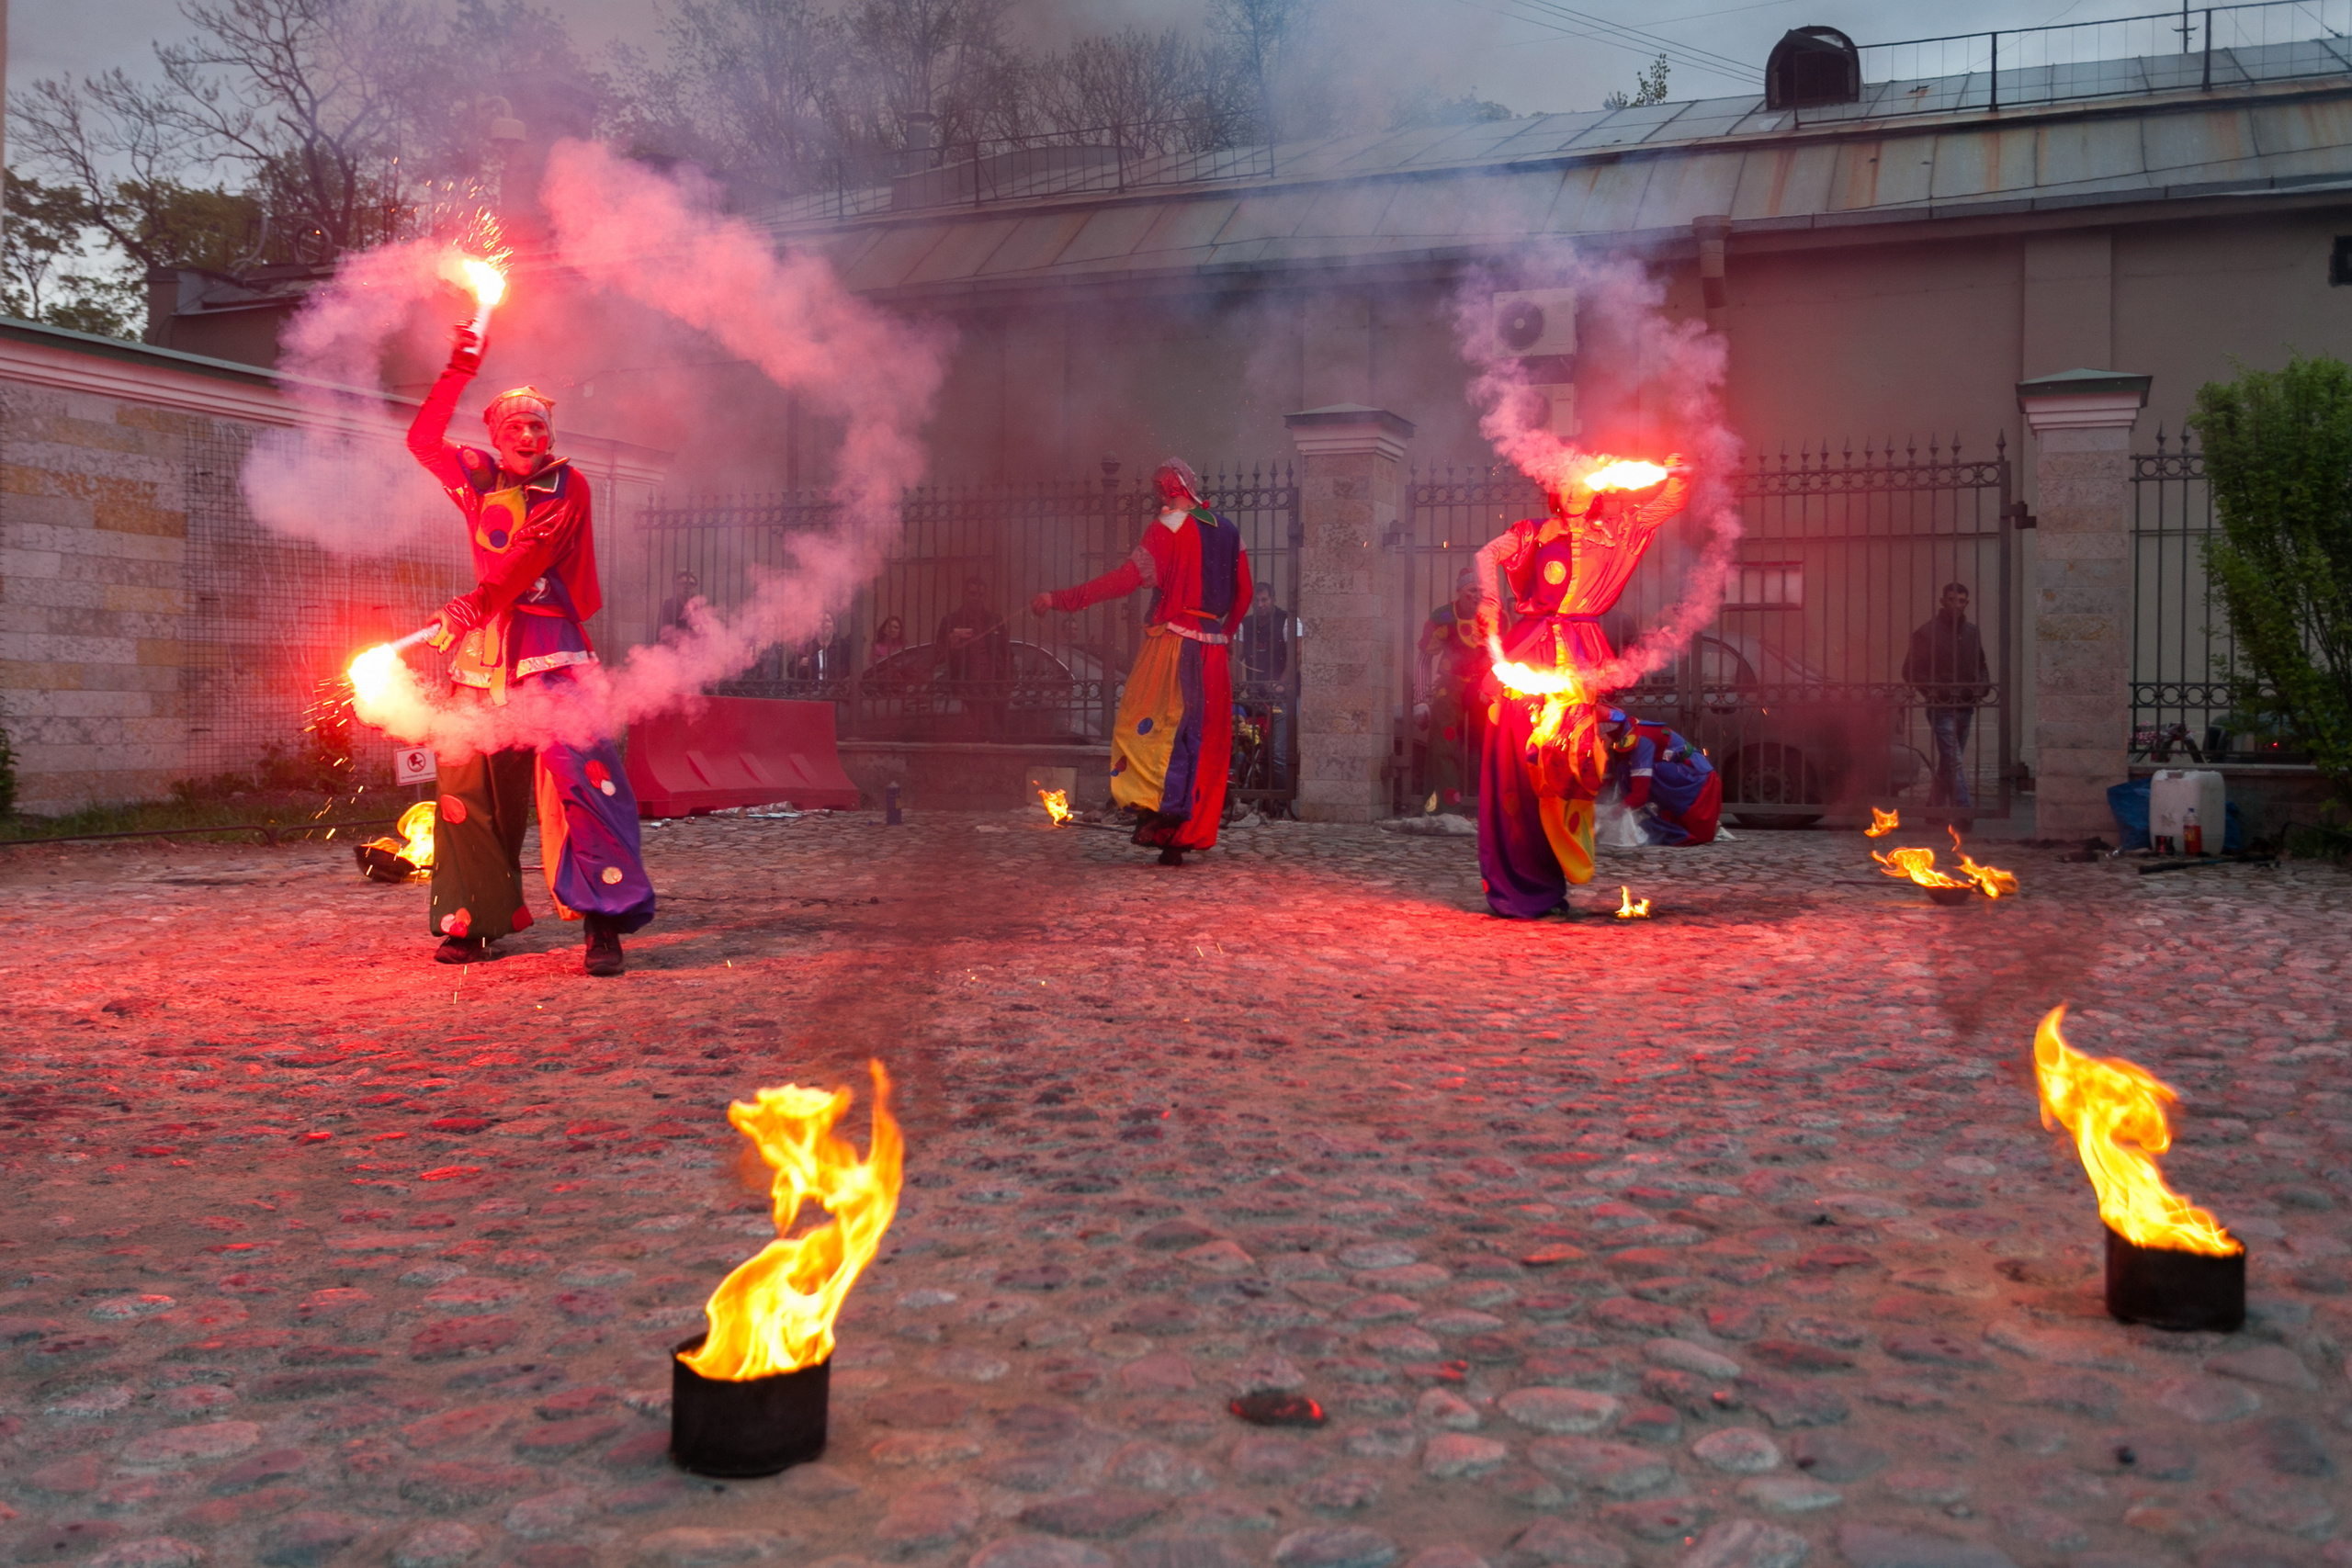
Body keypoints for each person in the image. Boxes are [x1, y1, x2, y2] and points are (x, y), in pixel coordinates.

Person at [405, 321, 656, 976]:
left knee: (584, 780)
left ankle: (602, 922)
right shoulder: (476, 475)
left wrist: (474, 603)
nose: (528, 437)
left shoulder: (567, 485)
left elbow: (530, 554)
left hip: (550, 647)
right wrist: (461, 362)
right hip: (483, 653)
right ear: (494, 436)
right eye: (515, 426)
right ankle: (476, 918)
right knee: (466, 783)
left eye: (538, 428)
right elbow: (421, 439)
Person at [1472, 456, 1690, 919]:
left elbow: (1668, 503)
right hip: (1529, 650)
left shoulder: (1615, 531)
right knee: (1521, 771)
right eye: (1565, 484)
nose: (1574, 492)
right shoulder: (1533, 532)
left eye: (1582, 485)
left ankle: (1555, 879)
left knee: (1566, 772)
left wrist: (1678, 473)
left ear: (1596, 490)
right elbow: (1485, 554)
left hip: (1581, 659)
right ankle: (1518, 887)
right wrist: (1491, 600)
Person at [1030, 457, 1252, 865]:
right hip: (1214, 652)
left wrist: (1060, 599)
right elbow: (1245, 593)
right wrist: (1228, 632)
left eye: (1157, 491)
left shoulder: (1165, 529)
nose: (1156, 499)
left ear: (1170, 490)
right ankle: (1183, 835)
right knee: (1204, 741)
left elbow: (1124, 580)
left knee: (1150, 733)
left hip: (1173, 645)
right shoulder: (1230, 531)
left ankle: (1162, 821)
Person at [1903, 581, 1991, 807]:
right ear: (1943, 601)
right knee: (1954, 761)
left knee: (1949, 761)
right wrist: (1935, 691)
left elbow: (1981, 664)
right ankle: (1964, 811)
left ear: (1966, 603)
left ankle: (1934, 808)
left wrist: (1981, 687)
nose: (1957, 605)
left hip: (1965, 705)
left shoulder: (1972, 632)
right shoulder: (1926, 633)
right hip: (1941, 707)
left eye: (1961, 601)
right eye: (1952, 600)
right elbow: (1910, 670)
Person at [1416, 567, 1488, 815]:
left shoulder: (1493, 617)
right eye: (1472, 590)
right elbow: (1423, 660)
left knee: (1491, 741)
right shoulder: (1444, 616)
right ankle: (1444, 807)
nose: (1477, 595)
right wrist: (1421, 700)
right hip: (1451, 683)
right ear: (1460, 592)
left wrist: (1492, 684)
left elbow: (1503, 657)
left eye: (1481, 590)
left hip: (1484, 687)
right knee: (1443, 741)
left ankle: (1490, 806)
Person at [1602, 709, 1721, 845]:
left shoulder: (1641, 740)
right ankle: (1659, 821)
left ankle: (1668, 826)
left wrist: (1613, 813)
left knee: (1634, 772)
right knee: (1625, 769)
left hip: (1699, 784)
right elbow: (1606, 782)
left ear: (1608, 732)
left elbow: (1639, 795)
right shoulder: (1622, 737)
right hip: (1684, 778)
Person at [935, 577, 1010, 736]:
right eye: (973, 594)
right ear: (965, 594)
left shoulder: (994, 620)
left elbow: (1006, 652)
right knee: (983, 733)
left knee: (996, 732)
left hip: (993, 686)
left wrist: (1006, 679)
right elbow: (938, 655)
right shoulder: (951, 621)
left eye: (981, 595)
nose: (977, 598)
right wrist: (951, 646)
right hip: (966, 688)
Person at [792, 612, 855, 687]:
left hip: (837, 694)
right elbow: (791, 670)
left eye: (828, 620)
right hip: (810, 694)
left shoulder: (844, 646)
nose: (824, 624)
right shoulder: (806, 646)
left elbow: (853, 671)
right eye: (820, 621)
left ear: (833, 626)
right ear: (814, 626)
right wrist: (799, 664)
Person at [657, 571, 700, 639]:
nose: (687, 586)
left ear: (695, 587)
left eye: (691, 584)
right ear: (675, 587)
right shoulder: (669, 605)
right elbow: (665, 631)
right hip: (676, 647)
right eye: (683, 583)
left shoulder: (699, 607)